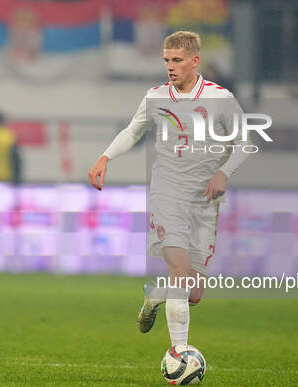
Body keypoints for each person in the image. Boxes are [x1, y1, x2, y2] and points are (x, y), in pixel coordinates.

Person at [88, 31, 251, 347]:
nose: (170, 67)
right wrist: (106, 156)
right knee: (179, 272)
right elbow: (133, 130)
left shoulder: (220, 99)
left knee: (193, 293)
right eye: (166, 61)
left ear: (194, 61)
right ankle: (180, 354)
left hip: (205, 201)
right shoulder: (156, 97)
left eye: (177, 60)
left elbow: (245, 142)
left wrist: (223, 173)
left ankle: (155, 295)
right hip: (167, 195)